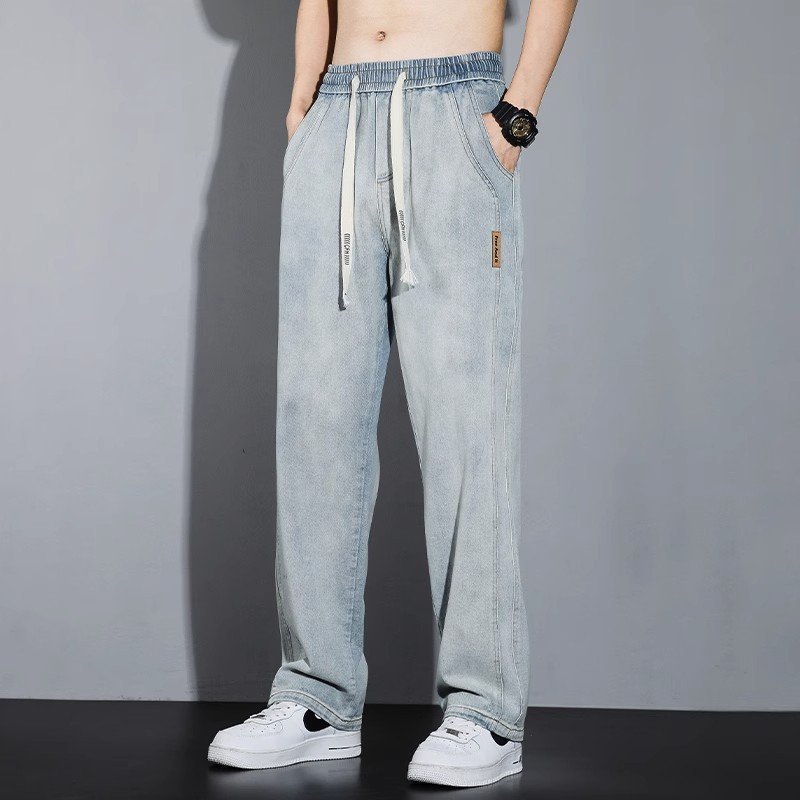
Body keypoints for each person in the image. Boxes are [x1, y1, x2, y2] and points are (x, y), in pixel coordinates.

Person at [208, 0, 577, 787]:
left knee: (465, 424)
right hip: (337, 109)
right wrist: (306, 103)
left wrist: (515, 118)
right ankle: (317, 697)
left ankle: (485, 710)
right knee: (316, 420)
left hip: (454, 114)